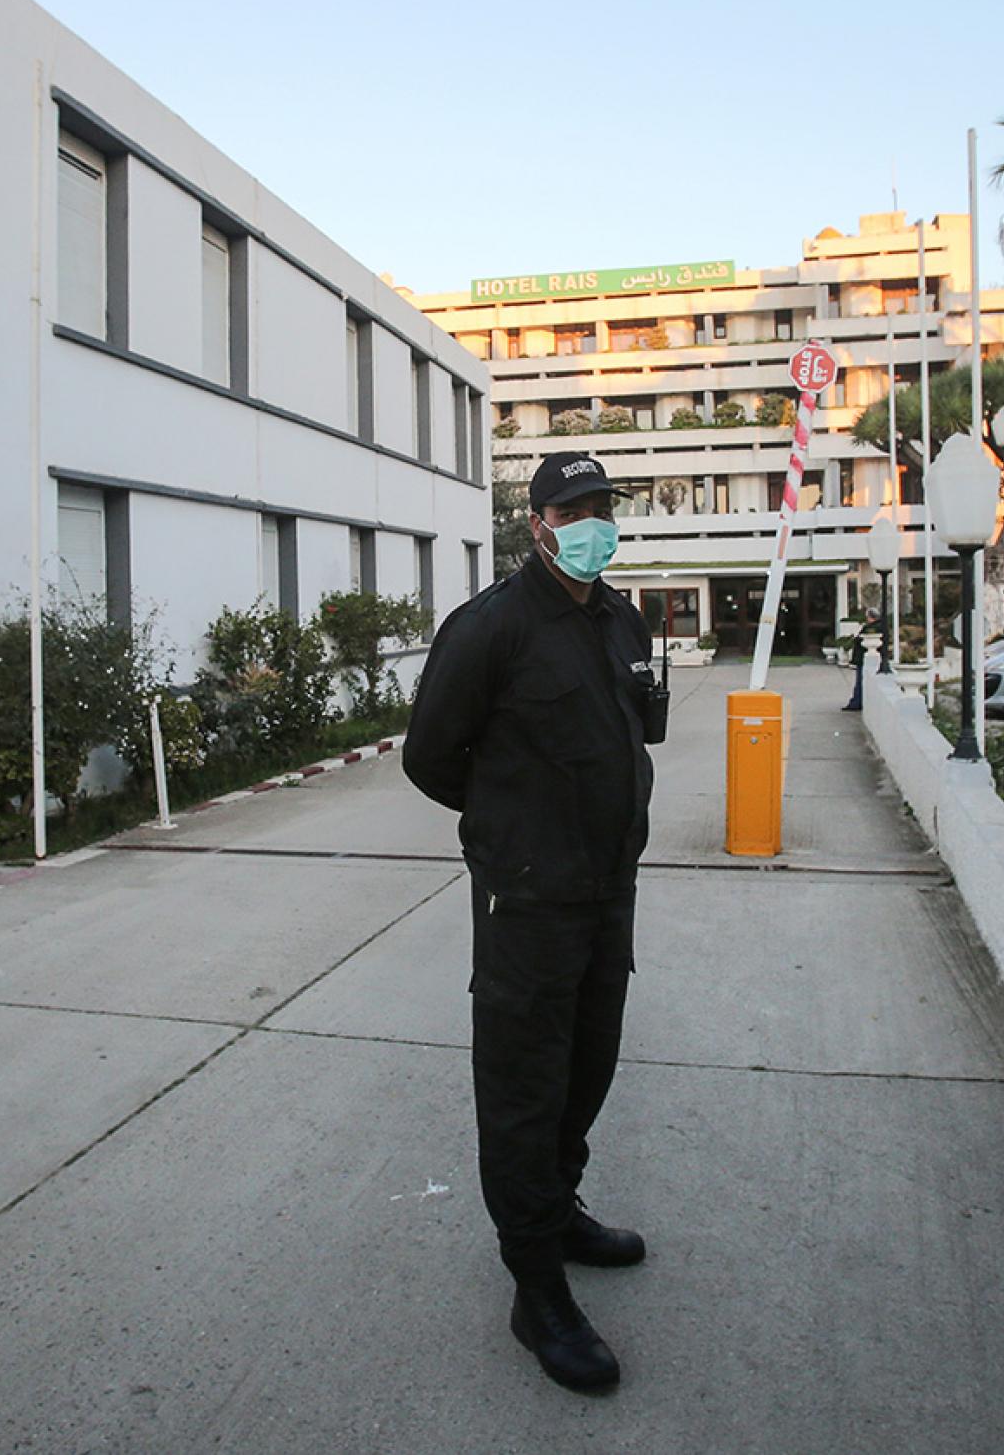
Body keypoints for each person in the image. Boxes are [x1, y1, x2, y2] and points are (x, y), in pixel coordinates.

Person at [401, 450, 659, 1394]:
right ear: (539, 521)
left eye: (605, 506)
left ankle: (561, 1209)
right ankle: (535, 1286)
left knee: (588, 1064)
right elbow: (430, 758)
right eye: (577, 507)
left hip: (607, 893)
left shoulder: (620, 615)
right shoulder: (491, 627)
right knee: (522, 1086)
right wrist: (514, 828)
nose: (596, 521)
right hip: (528, 901)